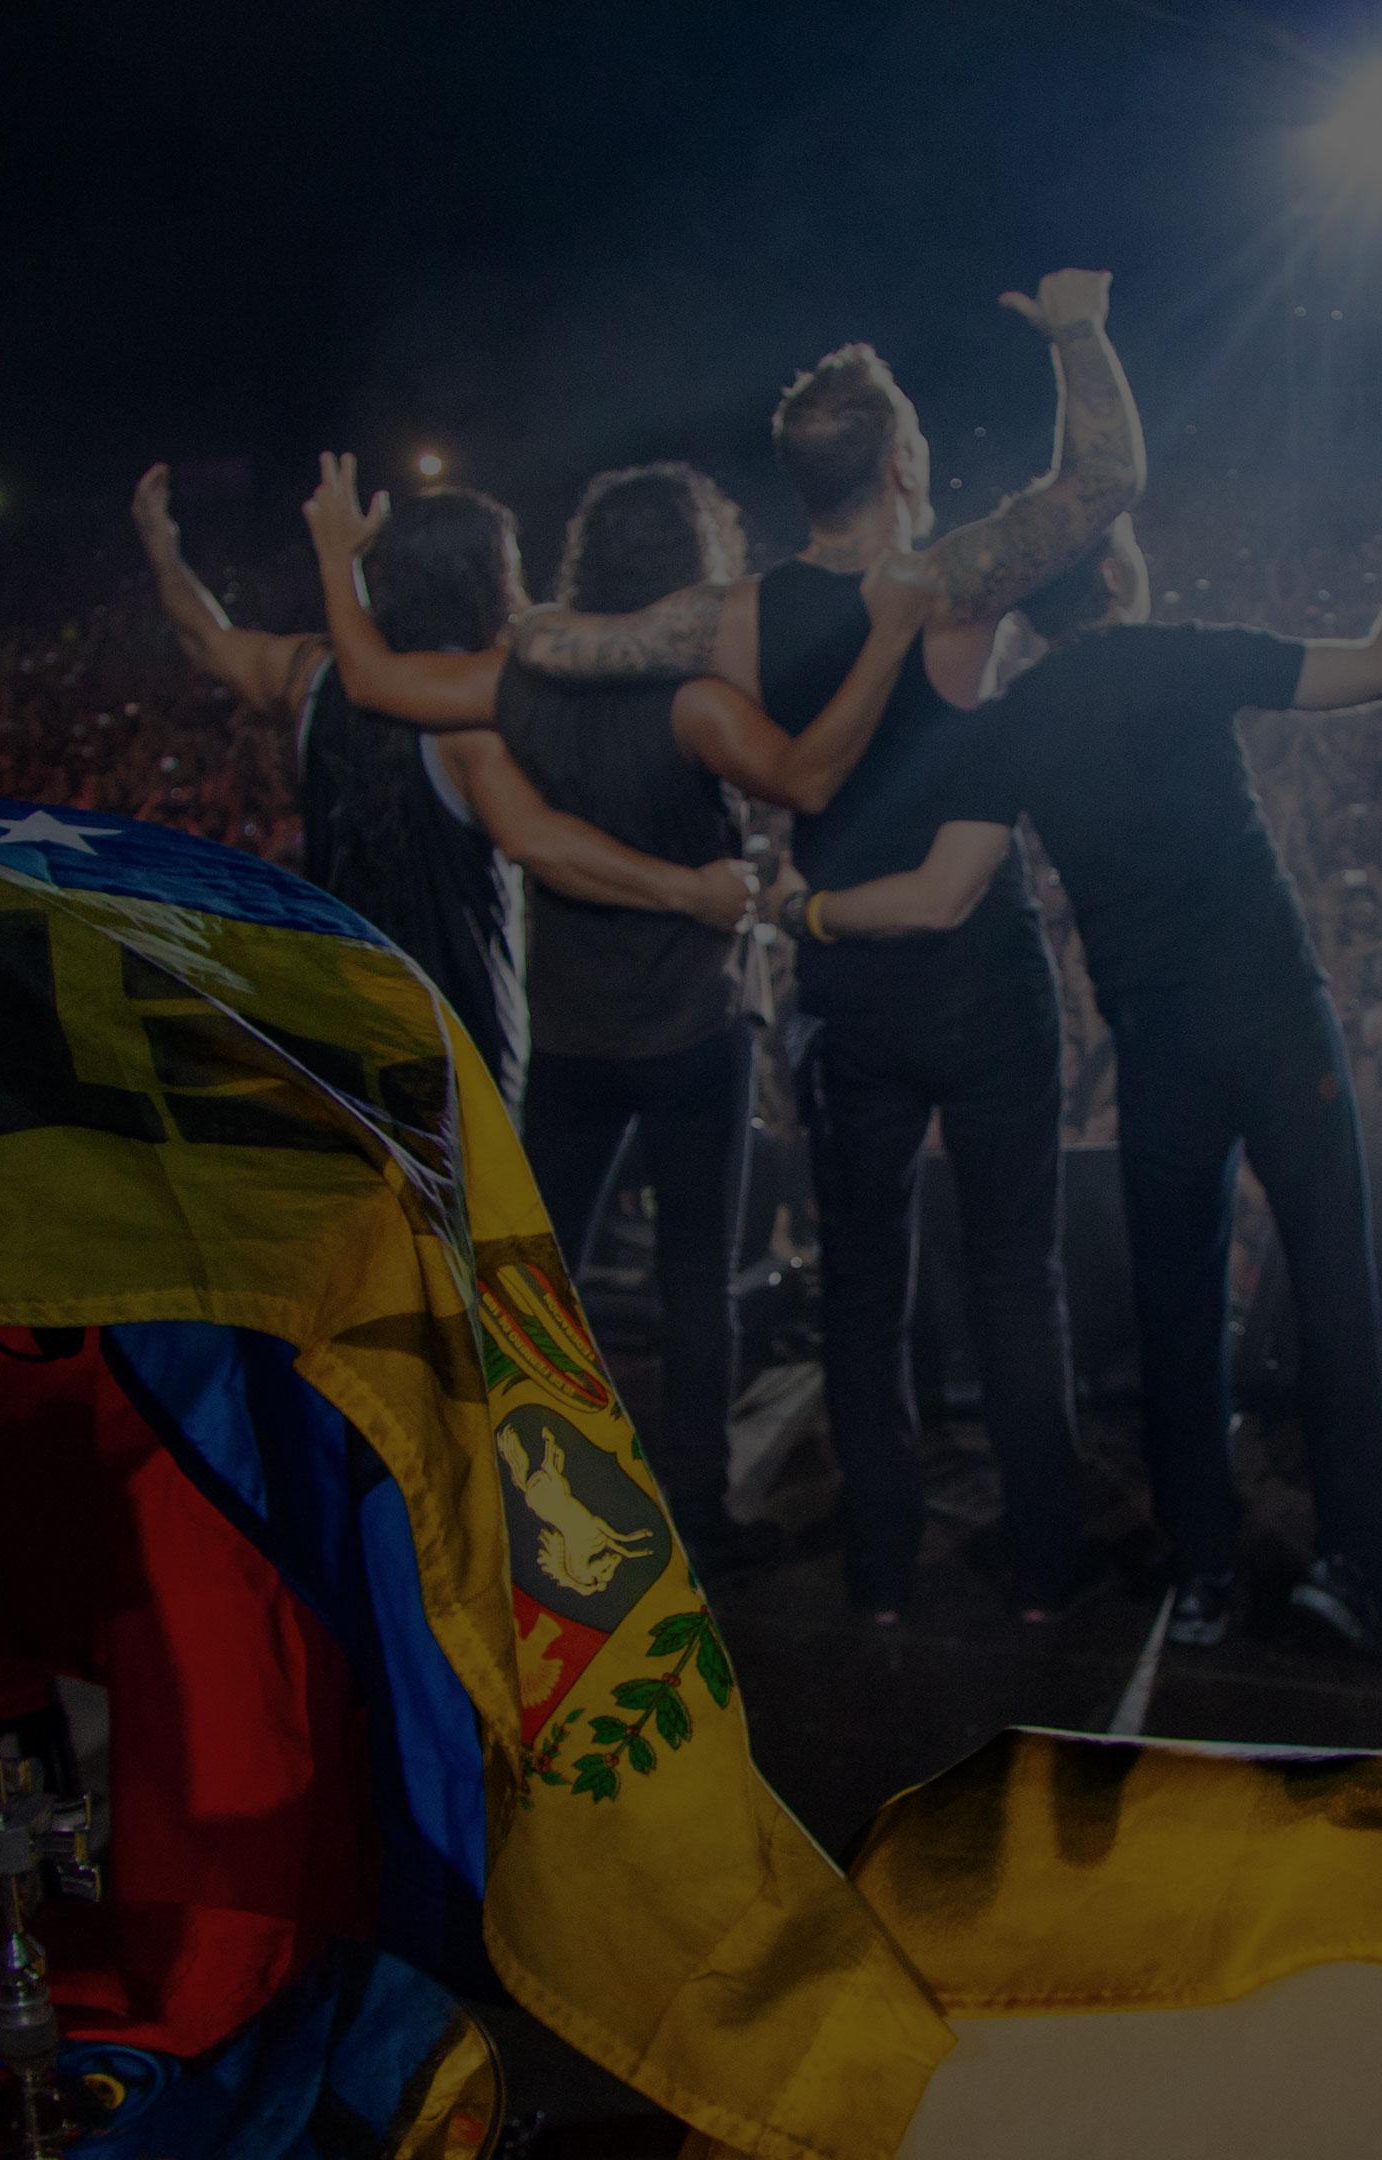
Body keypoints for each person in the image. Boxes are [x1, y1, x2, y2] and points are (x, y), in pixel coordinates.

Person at [501, 269, 1145, 1623]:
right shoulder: (954, 584)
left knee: (861, 1281)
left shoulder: (729, 617)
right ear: (906, 461)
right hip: (978, 970)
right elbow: (1105, 480)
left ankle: (878, 1568)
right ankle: (1042, 1558)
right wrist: (1079, 336)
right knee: (1014, 1272)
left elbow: (582, 645)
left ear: (800, 479)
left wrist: (491, 628)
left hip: (844, 981)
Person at [773, 505, 1382, 1661]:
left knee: (1179, 1314)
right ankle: (1352, 1568)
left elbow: (941, 897)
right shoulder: (1181, 652)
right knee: (1335, 1281)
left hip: (1161, 1051)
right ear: (1123, 570)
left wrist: (809, 909)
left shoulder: (1018, 719)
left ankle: (1200, 1573)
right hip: (1279, 1028)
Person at [303, 454, 930, 1574]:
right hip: (692, 1027)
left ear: (587, 562)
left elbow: (369, 683)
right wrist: (885, 641)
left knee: (535, 1276)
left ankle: (516, 1493)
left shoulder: (520, 682)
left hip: (572, 1033)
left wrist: (336, 563)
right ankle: (698, 1510)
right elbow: (813, 778)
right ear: (698, 571)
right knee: (697, 1284)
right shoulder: (699, 701)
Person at [133, 463, 545, 1101]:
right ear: (491, 581)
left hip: (338, 1019)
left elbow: (205, 638)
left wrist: (164, 551)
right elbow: (536, 842)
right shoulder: (478, 713)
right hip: (460, 1038)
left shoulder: (309, 676)